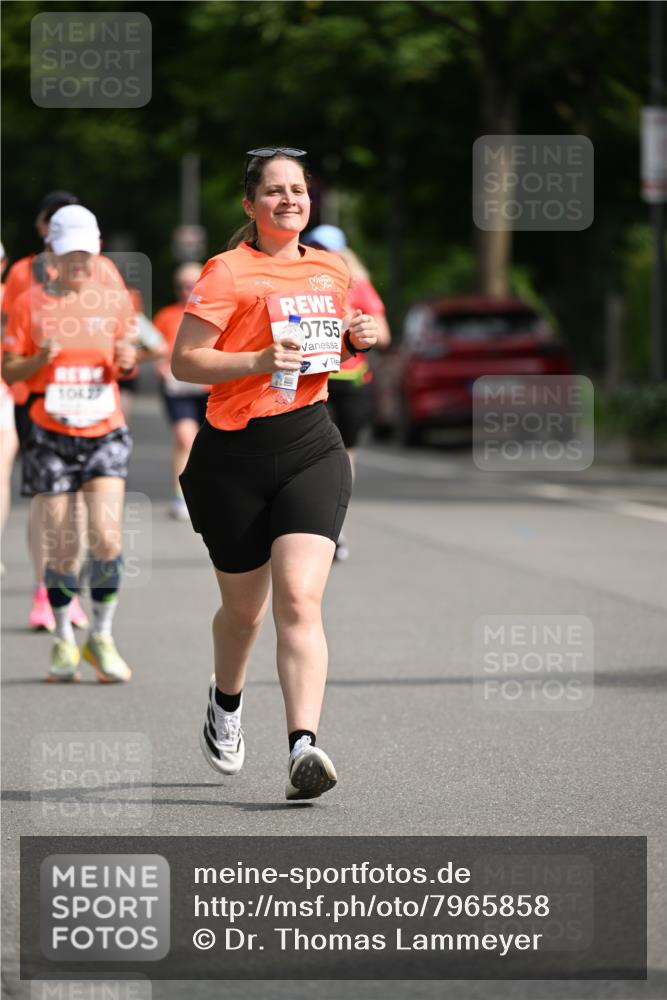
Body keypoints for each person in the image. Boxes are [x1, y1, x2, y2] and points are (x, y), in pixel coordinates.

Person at [172, 147, 378, 800]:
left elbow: (324, 355)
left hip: (310, 448)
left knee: (299, 599)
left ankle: (302, 747)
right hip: (233, 458)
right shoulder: (227, 271)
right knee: (244, 613)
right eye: (275, 191)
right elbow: (186, 361)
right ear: (250, 205)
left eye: (299, 189)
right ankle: (226, 703)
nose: (290, 199)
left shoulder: (331, 268)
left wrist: (353, 341)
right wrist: (257, 358)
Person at [3, 205, 137, 683]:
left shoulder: (115, 297)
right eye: (68, 254)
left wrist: (127, 358)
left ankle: (100, 635)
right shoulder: (30, 303)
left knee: (107, 537)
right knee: (63, 547)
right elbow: (9, 368)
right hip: (49, 432)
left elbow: (128, 359)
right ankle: (63, 635)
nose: (78, 262)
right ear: (51, 255)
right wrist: (39, 358)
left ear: (97, 248)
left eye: (86, 252)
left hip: (104, 428)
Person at [1, 191, 90, 629]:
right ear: (44, 231)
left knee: (73, 502)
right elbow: (9, 329)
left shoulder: (99, 272)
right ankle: (44, 589)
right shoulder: (23, 273)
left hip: (90, 398)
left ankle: (65, 588)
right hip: (36, 398)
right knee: (45, 499)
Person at [305, 225, 391, 561]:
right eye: (314, 247)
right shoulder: (302, 283)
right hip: (315, 380)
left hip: (352, 382)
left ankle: (334, 525)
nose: (322, 253)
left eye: (328, 248)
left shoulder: (360, 286)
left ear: (344, 251)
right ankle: (316, 526)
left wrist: (359, 330)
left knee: (345, 456)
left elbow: (382, 335)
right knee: (318, 455)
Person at [153, 262, 207, 520]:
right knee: (186, 438)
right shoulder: (166, 315)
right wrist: (161, 367)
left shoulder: (214, 312)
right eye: (182, 285)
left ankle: (210, 493)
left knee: (209, 443)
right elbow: (155, 348)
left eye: (193, 284)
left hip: (210, 387)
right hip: (178, 388)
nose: (187, 290)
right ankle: (181, 495)